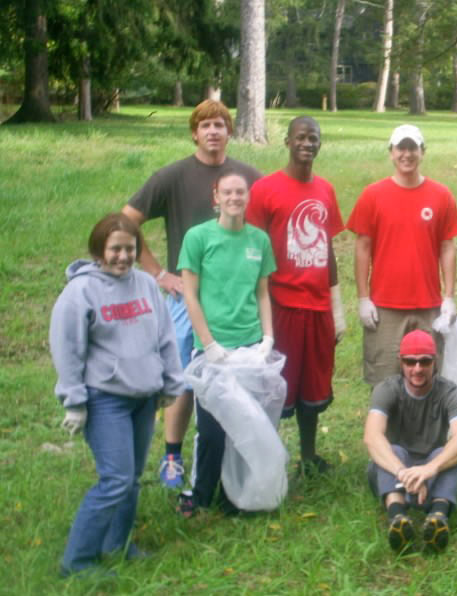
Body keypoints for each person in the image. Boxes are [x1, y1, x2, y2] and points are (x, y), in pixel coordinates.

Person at [121, 100, 262, 489]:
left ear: (229, 131)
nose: (213, 131)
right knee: (184, 378)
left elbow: (266, 227)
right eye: (205, 125)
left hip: (235, 301)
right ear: (194, 133)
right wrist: (158, 273)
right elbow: (126, 221)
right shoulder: (172, 177)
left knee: (235, 376)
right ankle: (171, 456)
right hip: (187, 298)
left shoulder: (248, 177)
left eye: (220, 124)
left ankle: (232, 453)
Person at [50, 213, 184, 577]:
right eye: (115, 249)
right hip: (104, 398)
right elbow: (68, 349)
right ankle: (76, 561)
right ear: (99, 250)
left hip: (144, 397)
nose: (123, 256)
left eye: (130, 248)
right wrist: (74, 401)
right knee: (115, 480)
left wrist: (171, 383)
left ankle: (117, 544)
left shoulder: (144, 284)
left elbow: (166, 337)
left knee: (132, 477)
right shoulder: (80, 291)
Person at [246, 116, 345, 476]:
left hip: (317, 306)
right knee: (275, 387)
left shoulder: (325, 190)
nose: (308, 143)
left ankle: (308, 454)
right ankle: (267, 458)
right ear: (287, 142)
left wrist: (337, 306)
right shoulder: (266, 189)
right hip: (281, 304)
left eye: (314, 138)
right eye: (301, 137)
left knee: (312, 384)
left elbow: (329, 248)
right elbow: (253, 249)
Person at [175, 172, 276, 517]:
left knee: (246, 422)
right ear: (215, 196)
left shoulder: (259, 241)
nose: (235, 198)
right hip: (213, 349)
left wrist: (267, 338)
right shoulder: (198, 238)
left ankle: (237, 495)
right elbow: (190, 295)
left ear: (248, 198)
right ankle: (201, 493)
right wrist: (208, 343)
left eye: (241, 192)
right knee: (212, 429)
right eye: (227, 192)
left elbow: (262, 293)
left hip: (249, 347)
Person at [347, 124, 457, 386]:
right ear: (391, 153)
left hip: (429, 307)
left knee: (427, 381)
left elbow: (447, 246)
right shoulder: (372, 195)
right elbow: (362, 247)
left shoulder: (441, 195)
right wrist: (363, 298)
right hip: (385, 307)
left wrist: (449, 297)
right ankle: (385, 428)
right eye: (401, 148)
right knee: (385, 382)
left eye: (413, 148)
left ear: (423, 152)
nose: (406, 154)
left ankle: (424, 428)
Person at [363, 330, 457, 553]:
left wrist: (429, 469)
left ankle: (438, 518)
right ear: (400, 362)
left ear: (435, 362)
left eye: (425, 361)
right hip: (395, 467)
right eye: (410, 362)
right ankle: (398, 518)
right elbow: (372, 437)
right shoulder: (386, 389)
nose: (417, 369)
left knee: (445, 453)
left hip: (431, 465)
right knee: (391, 450)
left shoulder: (451, 392)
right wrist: (404, 472)